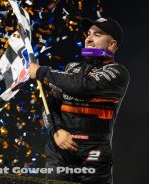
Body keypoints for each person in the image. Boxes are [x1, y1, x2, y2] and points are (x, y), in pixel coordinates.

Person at [29, 17, 130, 184]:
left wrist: (42, 72)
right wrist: (55, 131)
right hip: (59, 151)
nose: (89, 38)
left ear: (112, 44)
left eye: (97, 35)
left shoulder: (119, 73)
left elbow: (84, 86)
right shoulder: (71, 69)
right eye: (88, 34)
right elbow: (50, 106)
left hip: (94, 153)